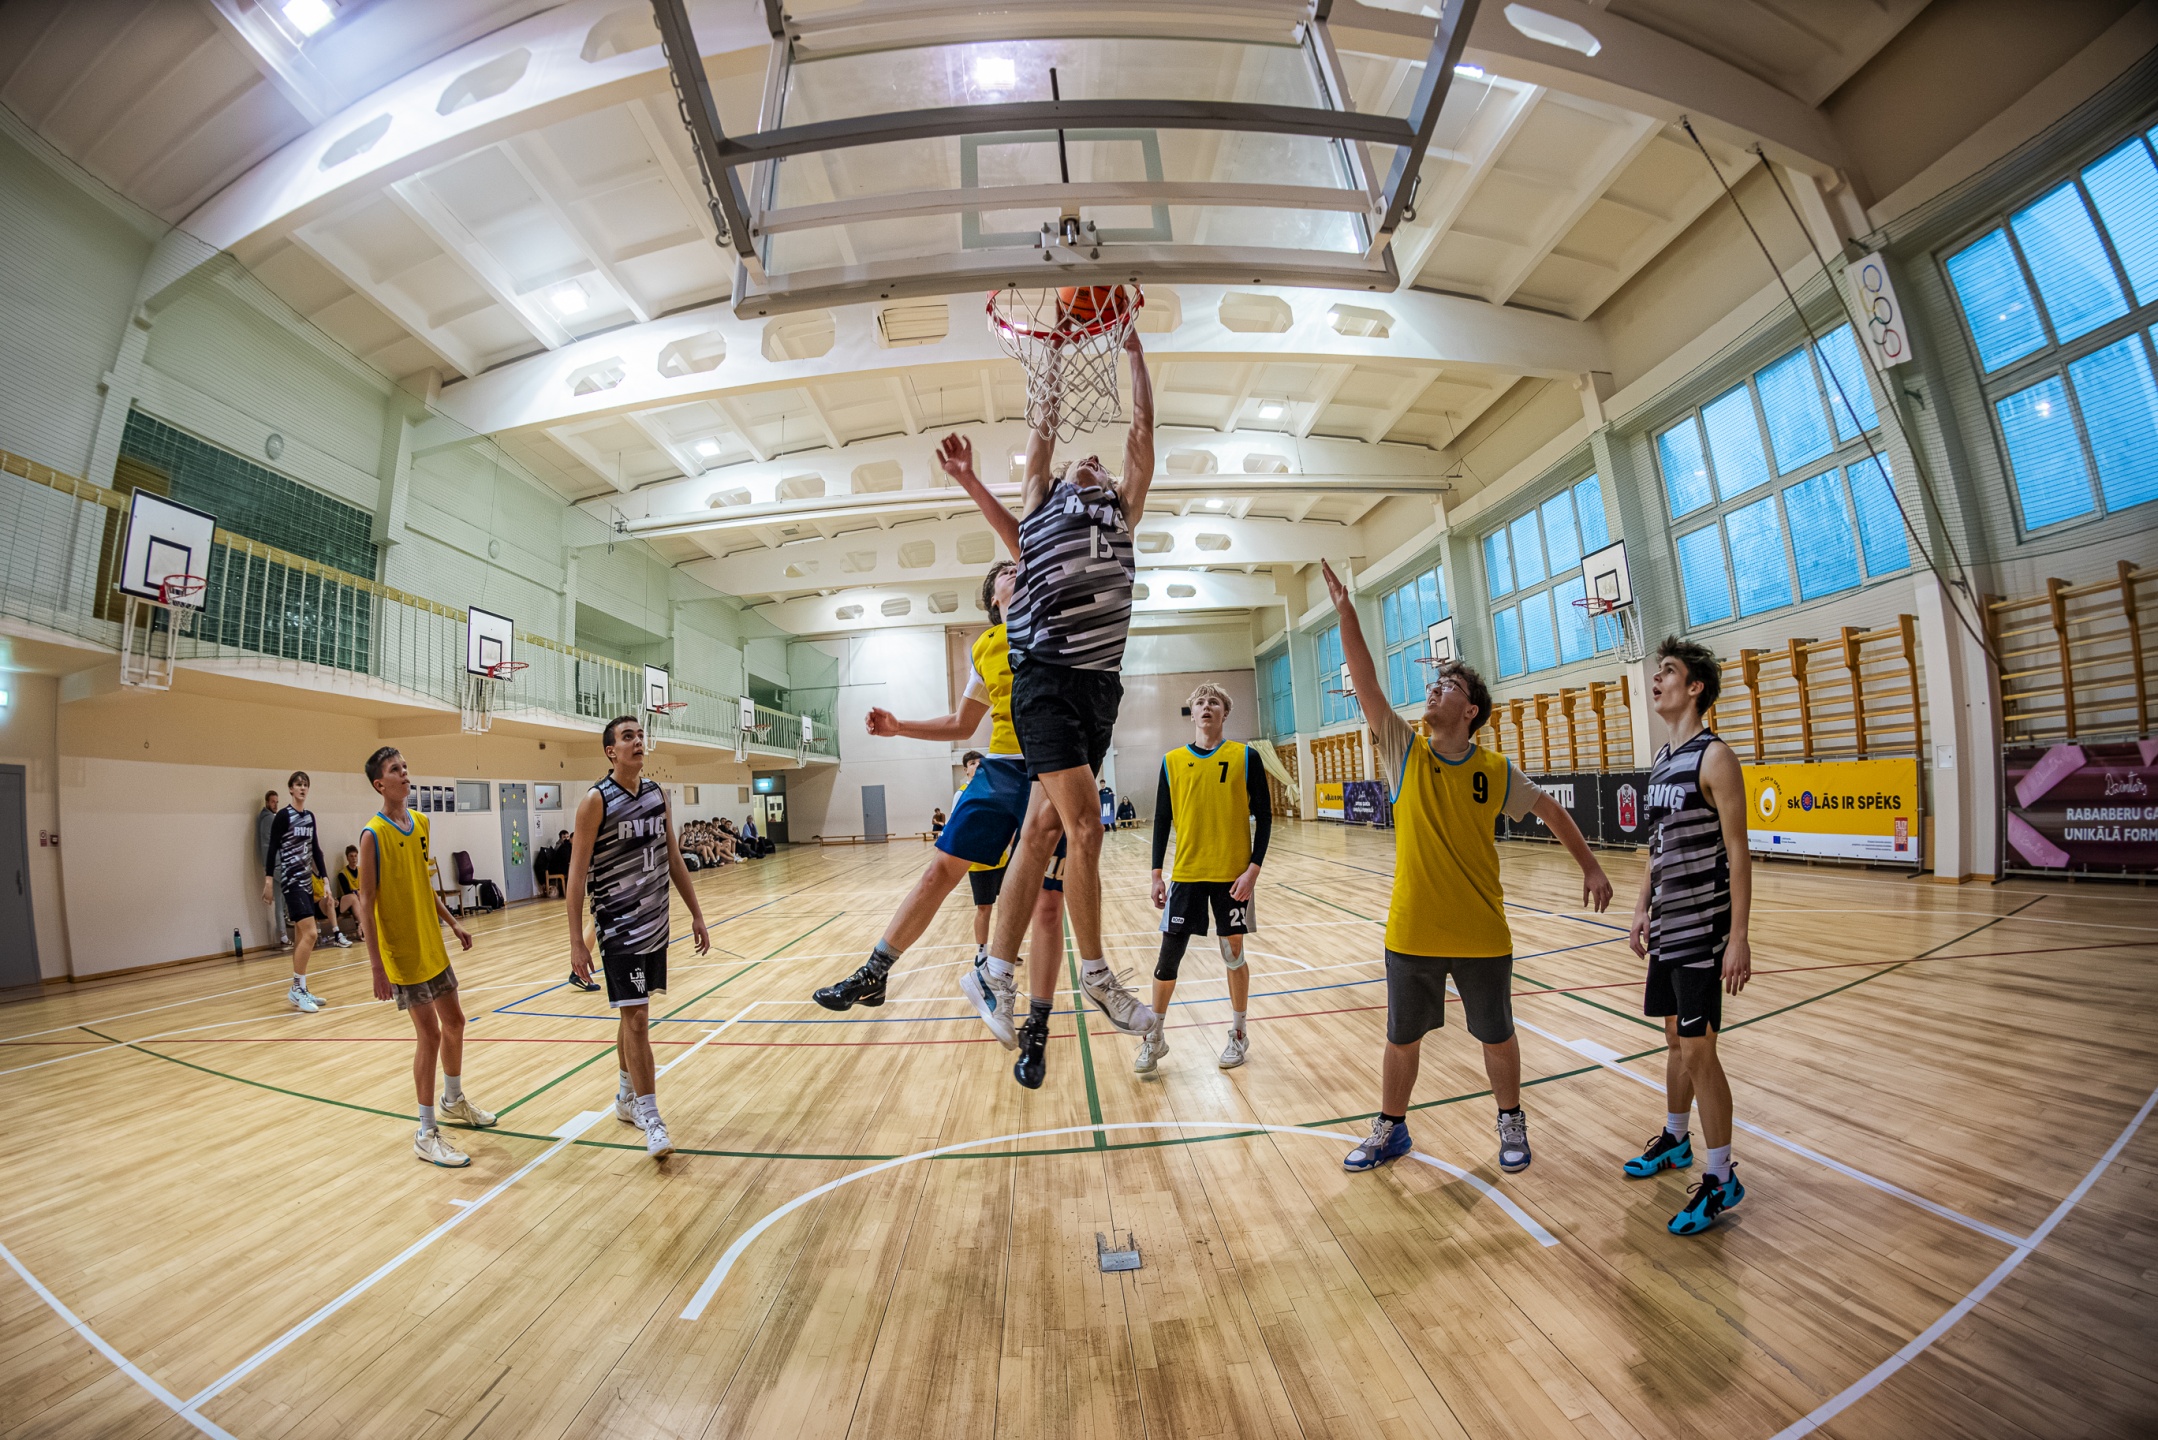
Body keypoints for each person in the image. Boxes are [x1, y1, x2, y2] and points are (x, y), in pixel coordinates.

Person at [1319, 560, 1613, 1176]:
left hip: (1482, 930)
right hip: (1414, 928)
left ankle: (1511, 1120)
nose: (1434, 689)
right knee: (1401, 1037)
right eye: (1435, 683)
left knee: (1496, 1033)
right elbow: (1367, 684)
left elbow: (1551, 810)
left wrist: (1591, 868)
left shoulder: (1496, 770)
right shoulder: (1404, 752)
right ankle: (1391, 1127)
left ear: (1471, 710)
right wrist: (1346, 614)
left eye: (1447, 686)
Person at [939, 318, 1159, 1088]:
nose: (1090, 460)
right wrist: (1053, 358)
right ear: (1062, 480)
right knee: (1085, 825)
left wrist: (1134, 352)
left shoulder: (1122, 511)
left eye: (1099, 463)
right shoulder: (1042, 506)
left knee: (1041, 830)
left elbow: (1142, 432)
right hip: (1045, 679)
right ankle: (1095, 974)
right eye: (1078, 462)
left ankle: (992, 970)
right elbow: (1045, 426)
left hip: (1100, 685)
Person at [814, 566, 1044, 1016]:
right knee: (939, 871)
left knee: (1049, 896)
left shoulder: (1048, 624)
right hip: (1000, 768)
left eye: (1018, 566)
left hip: (1050, 767)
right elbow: (961, 724)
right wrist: (899, 726)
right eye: (1005, 572)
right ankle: (875, 972)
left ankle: (1036, 998)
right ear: (992, 599)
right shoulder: (985, 646)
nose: (1015, 569)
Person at [1623, 637, 1754, 1235]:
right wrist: (1641, 907)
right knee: (1675, 1041)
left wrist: (1738, 937)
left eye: (1668, 672)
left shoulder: (1715, 757)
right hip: (1668, 926)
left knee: (1700, 1051)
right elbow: (1656, 848)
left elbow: (1738, 850)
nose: (1657, 680)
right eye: (1657, 672)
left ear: (1695, 687)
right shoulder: (1661, 761)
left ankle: (1722, 1177)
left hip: (1704, 929)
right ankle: (1676, 1140)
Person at [566, 715, 711, 1159]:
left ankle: (626, 1096)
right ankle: (651, 1116)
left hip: (656, 924)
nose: (637, 742)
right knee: (638, 1019)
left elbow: (673, 857)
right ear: (611, 751)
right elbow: (576, 877)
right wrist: (576, 941)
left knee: (630, 1015)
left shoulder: (656, 794)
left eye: (640, 735)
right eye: (627, 737)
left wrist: (697, 914)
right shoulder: (596, 801)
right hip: (617, 928)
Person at [357, 746, 493, 1167]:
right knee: (430, 1035)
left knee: (455, 1022)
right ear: (380, 784)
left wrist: (452, 923)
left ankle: (453, 1100)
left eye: (405, 767)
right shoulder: (372, 835)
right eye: (394, 770)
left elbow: (423, 882)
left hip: (431, 942)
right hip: (402, 952)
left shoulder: (421, 823)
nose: (404, 773)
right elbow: (366, 902)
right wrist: (377, 966)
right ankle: (426, 1132)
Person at [1137, 683, 1272, 1074]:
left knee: (1233, 955)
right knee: (1167, 959)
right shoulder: (1172, 761)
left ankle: (1239, 1033)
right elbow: (1162, 819)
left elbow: (1265, 816)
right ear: (1192, 713)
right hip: (1187, 875)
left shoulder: (1246, 757)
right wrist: (1156, 874)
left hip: (1233, 877)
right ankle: (1155, 1037)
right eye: (1200, 702)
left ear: (1225, 713)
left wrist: (1253, 870)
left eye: (1214, 702)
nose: (1207, 706)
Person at [263, 771, 333, 1012]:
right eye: (298, 784)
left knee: (302, 936)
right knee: (312, 934)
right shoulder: (284, 816)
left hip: (306, 882)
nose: (302, 788)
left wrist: (325, 879)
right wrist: (268, 880)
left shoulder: (310, 817)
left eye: (305, 784)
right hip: (291, 882)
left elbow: (316, 850)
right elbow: (272, 848)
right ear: (290, 789)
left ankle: (301, 988)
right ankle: (296, 988)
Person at [256, 790, 288, 947]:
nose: (275, 805)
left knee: (279, 900)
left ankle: (283, 934)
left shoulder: (263, 818)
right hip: (276, 863)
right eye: (273, 802)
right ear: (267, 803)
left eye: (277, 802)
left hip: (271, 864)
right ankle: (288, 920)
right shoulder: (269, 819)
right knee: (290, 891)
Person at [333, 844, 363, 941]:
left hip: (362, 898)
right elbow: (346, 892)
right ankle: (362, 928)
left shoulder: (362, 871)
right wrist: (358, 893)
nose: (354, 859)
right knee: (355, 899)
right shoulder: (342, 874)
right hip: (350, 901)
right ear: (347, 858)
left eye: (355, 856)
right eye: (351, 856)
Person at [538, 830, 572, 898]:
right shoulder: (560, 847)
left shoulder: (567, 846)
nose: (566, 839)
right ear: (560, 838)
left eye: (567, 837)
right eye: (564, 837)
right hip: (557, 868)